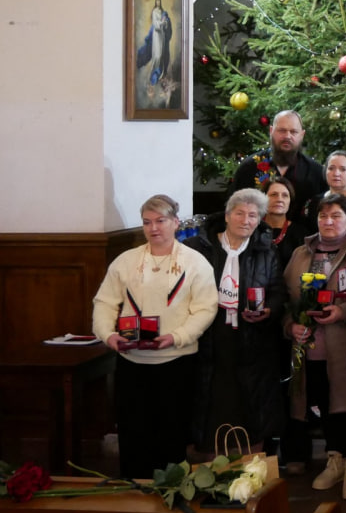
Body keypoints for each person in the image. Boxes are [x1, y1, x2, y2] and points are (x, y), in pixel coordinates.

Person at [91, 195, 218, 478]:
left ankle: (169, 495)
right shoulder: (126, 260)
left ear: (175, 222)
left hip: (177, 361)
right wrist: (109, 336)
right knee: (133, 432)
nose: (154, 228)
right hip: (131, 362)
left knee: (171, 434)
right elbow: (104, 303)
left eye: (161, 221)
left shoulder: (195, 262)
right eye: (147, 222)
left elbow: (205, 309)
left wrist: (177, 336)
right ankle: (134, 494)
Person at [283, 193, 346, 500]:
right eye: (323, 216)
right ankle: (334, 459)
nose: (328, 222)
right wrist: (290, 325)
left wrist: (344, 311)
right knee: (325, 405)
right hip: (311, 347)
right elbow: (286, 298)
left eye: (336, 216)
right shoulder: (302, 252)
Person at [189, 188, 284, 455]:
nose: (246, 221)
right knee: (213, 396)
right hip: (210, 334)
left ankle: (249, 465)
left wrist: (268, 310)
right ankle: (210, 462)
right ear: (228, 215)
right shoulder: (201, 248)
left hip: (252, 336)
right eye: (240, 213)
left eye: (253, 215)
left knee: (249, 399)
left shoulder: (266, 249)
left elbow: (277, 291)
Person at [231, 110, 331, 218]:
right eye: (282, 130)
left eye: (293, 132)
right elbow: (233, 208)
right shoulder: (249, 168)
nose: (287, 136)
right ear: (271, 131)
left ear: (302, 135)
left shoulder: (315, 172)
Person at [262, 176, 308, 270]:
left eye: (285, 195)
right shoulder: (252, 229)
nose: (279, 199)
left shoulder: (301, 234)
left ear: (290, 201)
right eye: (273, 194)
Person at [135, 0, 173, 87]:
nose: (158, 2)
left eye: (159, 0)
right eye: (156, 0)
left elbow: (166, 25)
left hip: (162, 36)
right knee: (157, 55)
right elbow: (156, 25)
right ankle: (153, 76)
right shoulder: (154, 12)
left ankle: (160, 75)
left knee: (162, 56)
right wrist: (162, 22)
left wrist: (166, 22)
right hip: (156, 36)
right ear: (155, 2)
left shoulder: (163, 12)